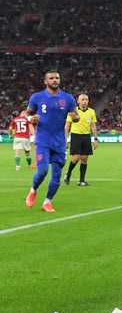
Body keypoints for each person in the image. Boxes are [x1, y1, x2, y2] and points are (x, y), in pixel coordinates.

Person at [24, 70, 80, 213]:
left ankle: (47, 202)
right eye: (51, 78)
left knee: (56, 176)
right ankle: (33, 190)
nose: (55, 80)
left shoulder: (68, 98)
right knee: (42, 171)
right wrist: (31, 119)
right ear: (46, 81)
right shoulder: (37, 97)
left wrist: (76, 117)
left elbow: (76, 115)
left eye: (57, 78)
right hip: (43, 140)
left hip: (60, 142)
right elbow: (26, 113)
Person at [64, 93, 99, 186]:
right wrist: (65, 138)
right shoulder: (73, 112)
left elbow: (93, 125)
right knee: (76, 158)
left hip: (86, 136)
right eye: (82, 99)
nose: (85, 101)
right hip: (76, 135)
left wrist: (95, 139)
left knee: (84, 159)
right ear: (78, 101)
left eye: (86, 100)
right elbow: (67, 125)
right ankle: (68, 173)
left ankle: (81, 181)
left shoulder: (91, 112)